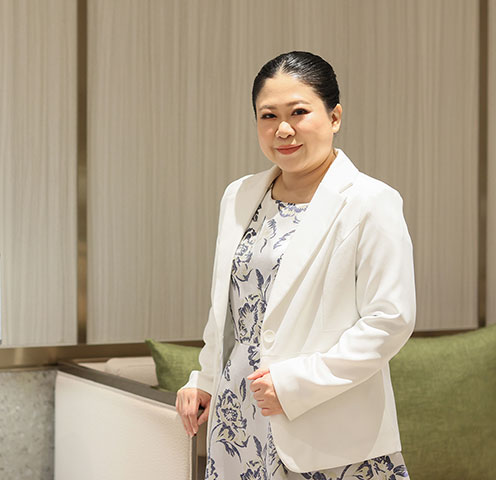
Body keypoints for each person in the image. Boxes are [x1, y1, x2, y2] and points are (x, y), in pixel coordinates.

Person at [175, 51, 415, 479]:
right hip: (240, 414)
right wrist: (206, 379)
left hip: (326, 422)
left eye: (299, 112)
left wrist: (293, 385)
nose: (283, 129)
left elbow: (389, 321)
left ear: (334, 116)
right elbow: (228, 307)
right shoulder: (239, 195)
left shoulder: (371, 201)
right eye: (268, 116)